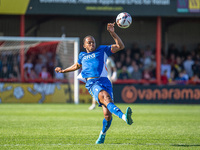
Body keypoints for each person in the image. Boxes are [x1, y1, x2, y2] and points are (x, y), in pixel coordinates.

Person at [55, 23, 133, 144]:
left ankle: (102, 135)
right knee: (106, 98)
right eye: (89, 42)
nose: (92, 44)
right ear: (84, 45)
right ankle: (124, 117)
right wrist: (63, 70)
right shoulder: (82, 55)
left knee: (107, 115)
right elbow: (76, 66)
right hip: (92, 82)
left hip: (105, 81)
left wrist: (112, 32)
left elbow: (120, 46)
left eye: (93, 42)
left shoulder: (102, 50)